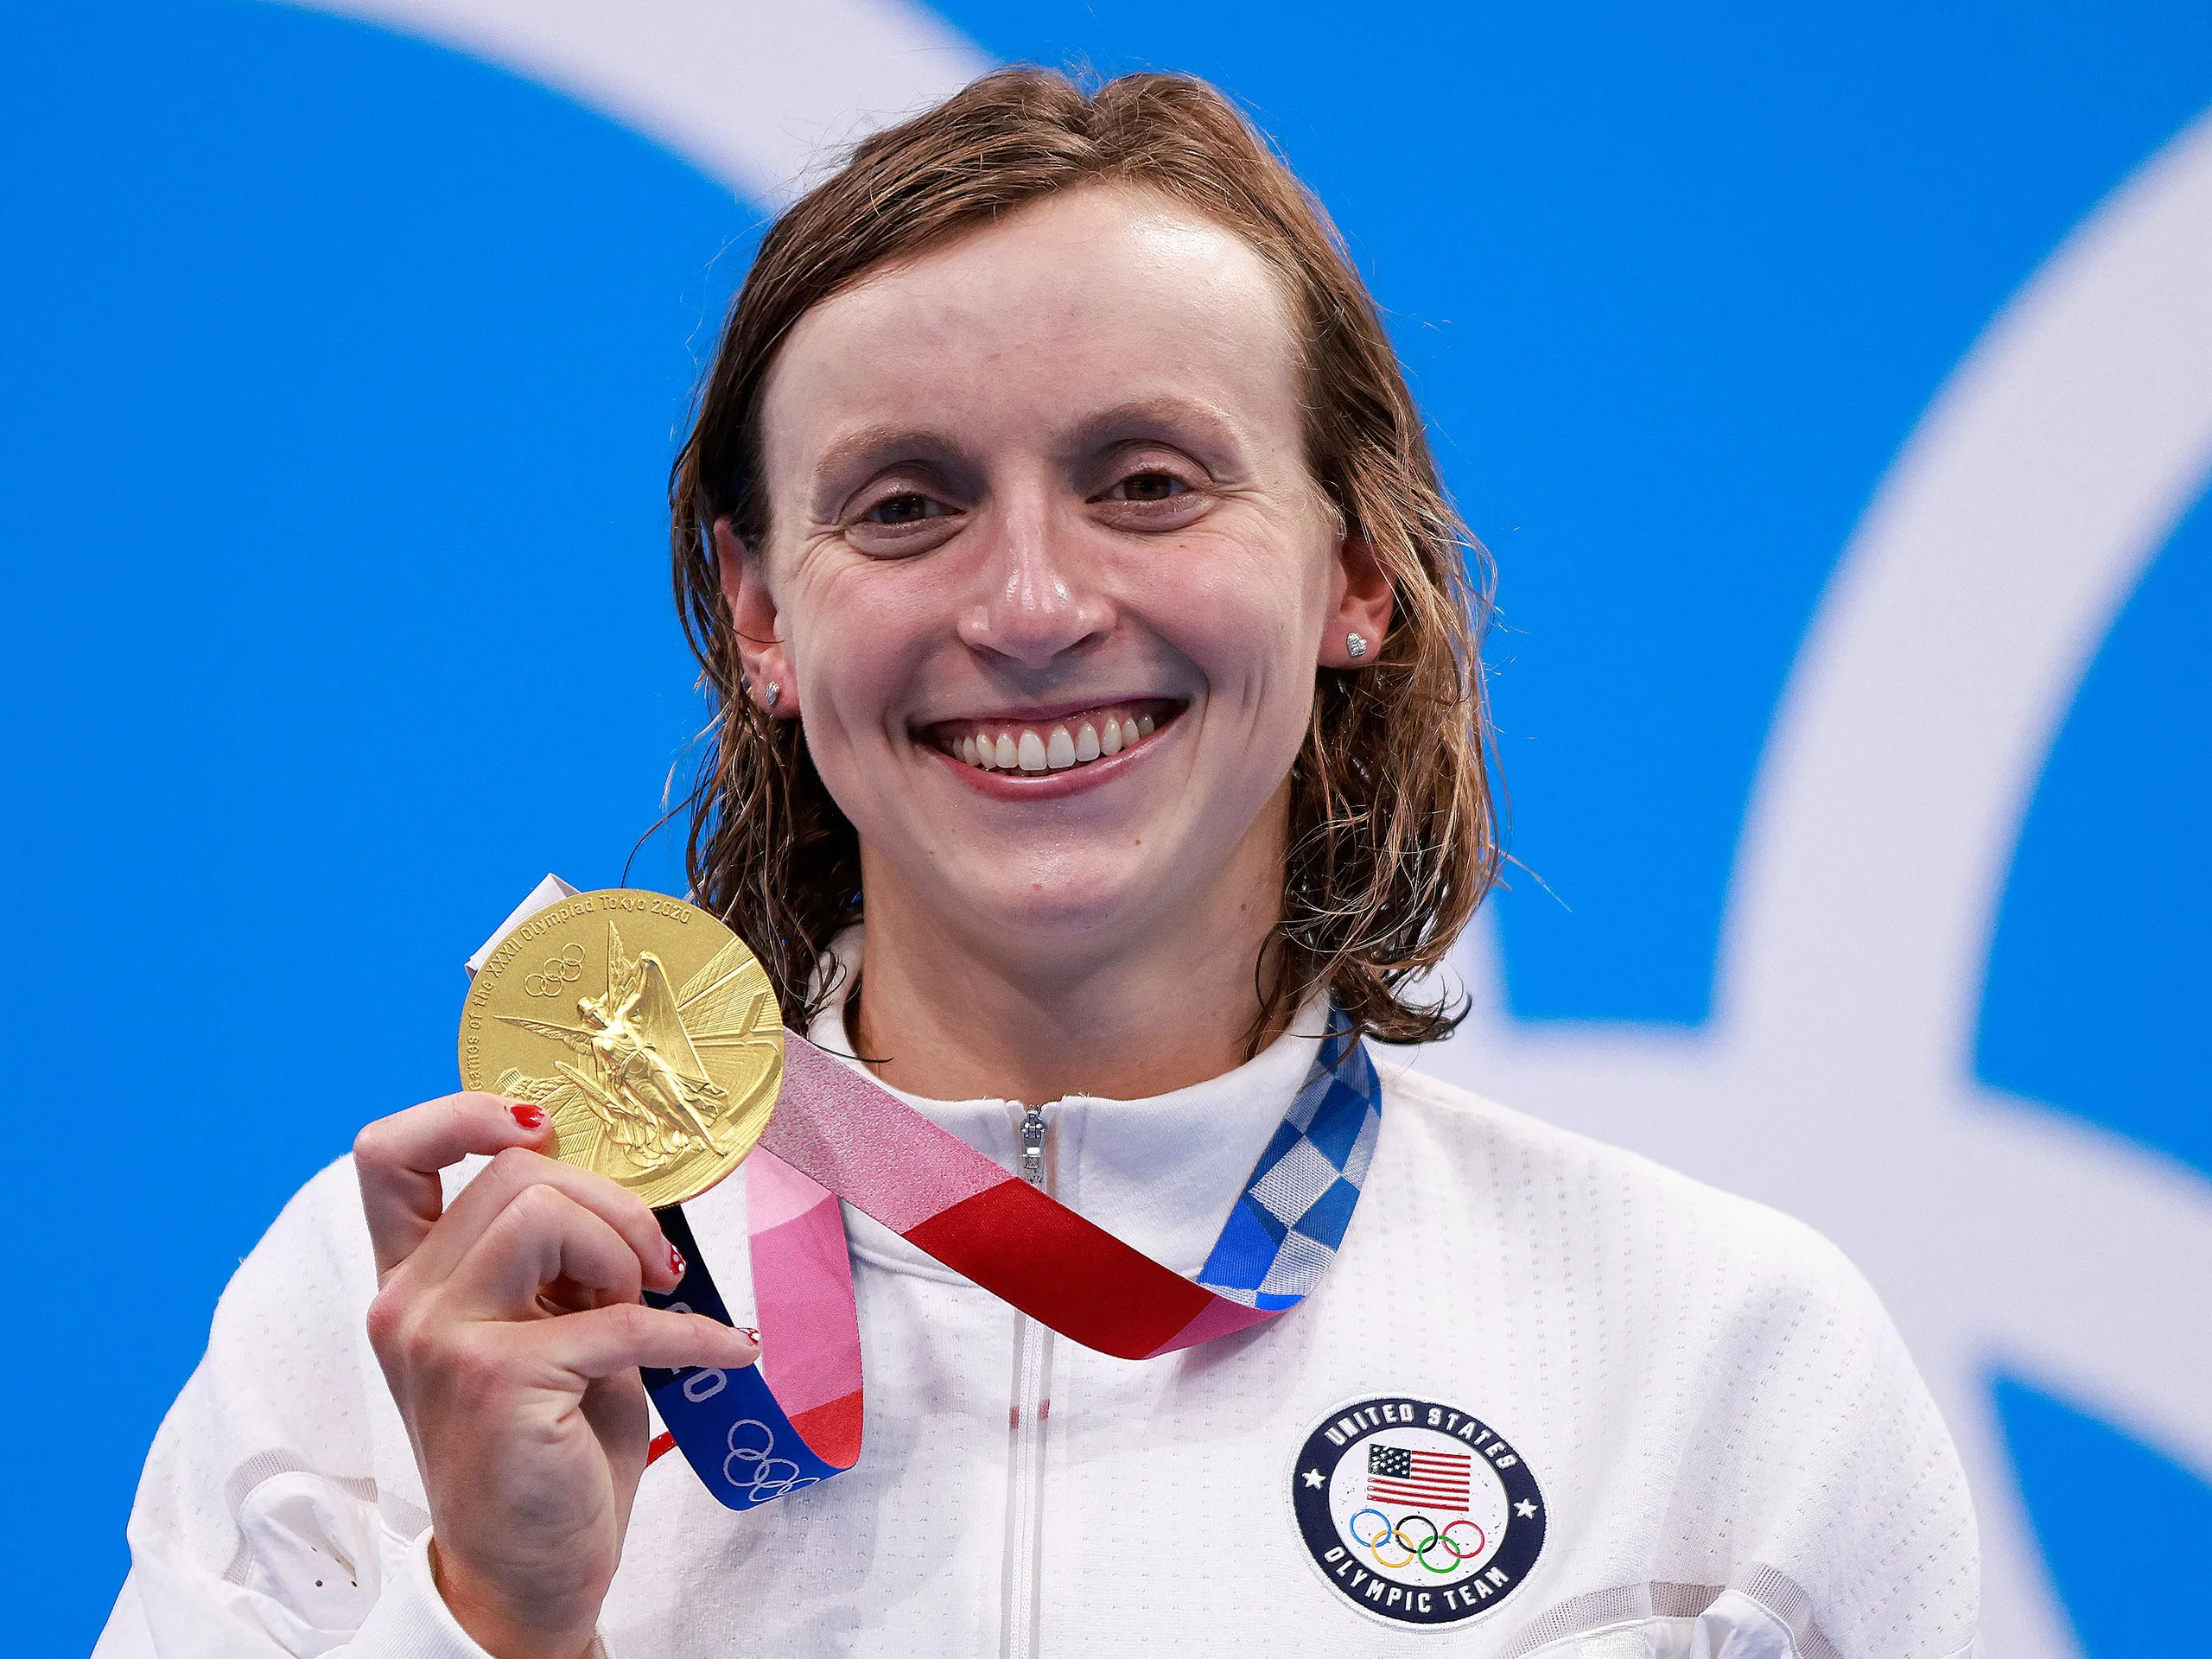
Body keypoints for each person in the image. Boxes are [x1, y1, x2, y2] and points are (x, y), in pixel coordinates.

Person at [95, 67, 1979, 1659]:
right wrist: (491, 1623)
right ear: (760, 616)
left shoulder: (1715, 1362)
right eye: (903, 505)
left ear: (1351, 571)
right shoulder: (422, 1321)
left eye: (1146, 480)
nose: (1028, 603)